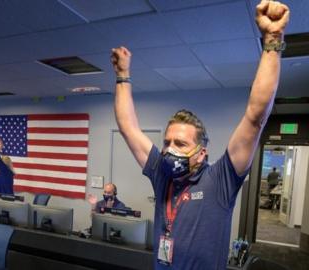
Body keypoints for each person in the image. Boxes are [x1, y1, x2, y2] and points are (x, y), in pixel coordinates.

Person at [111, 1, 289, 269]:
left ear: (201, 153)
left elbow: (255, 117)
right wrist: (123, 76)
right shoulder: (162, 174)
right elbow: (128, 128)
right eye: (167, 142)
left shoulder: (221, 179)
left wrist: (273, 40)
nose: (170, 149)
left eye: (180, 144)